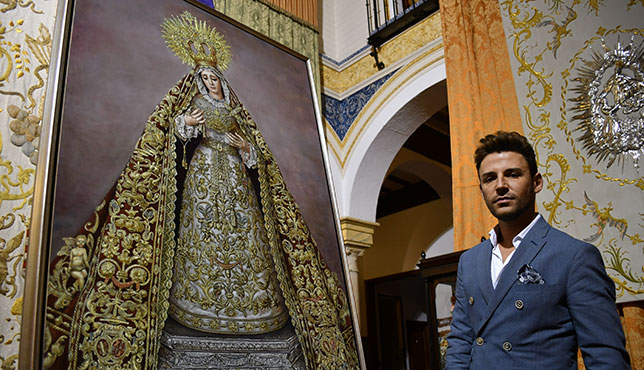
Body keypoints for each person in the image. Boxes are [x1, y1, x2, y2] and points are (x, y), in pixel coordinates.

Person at [43, 12, 358, 369]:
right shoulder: (192, 104)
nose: (210, 82)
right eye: (205, 77)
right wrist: (185, 125)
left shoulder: (235, 111)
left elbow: (258, 154)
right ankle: (199, 303)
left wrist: (247, 151)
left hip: (236, 179)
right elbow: (168, 132)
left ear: (222, 80)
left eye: (214, 77)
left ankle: (250, 307)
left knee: (244, 234)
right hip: (204, 173)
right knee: (204, 229)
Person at [445, 131, 630, 369]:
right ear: (481, 190)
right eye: (490, 178)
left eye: (512, 174)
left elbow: (605, 355)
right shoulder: (469, 261)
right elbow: (460, 343)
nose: (500, 185)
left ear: (536, 182)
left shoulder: (574, 256)